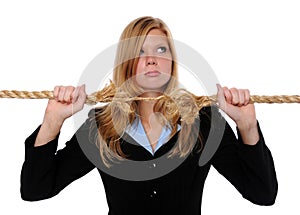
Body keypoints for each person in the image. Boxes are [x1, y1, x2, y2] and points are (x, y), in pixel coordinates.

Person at [20, 16, 278, 215]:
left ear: (172, 61)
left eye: (161, 50)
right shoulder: (101, 127)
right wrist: (52, 122)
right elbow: (36, 189)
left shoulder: (204, 122)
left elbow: (262, 194)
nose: (151, 59)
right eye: (140, 51)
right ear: (127, 63)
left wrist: (247, 126)